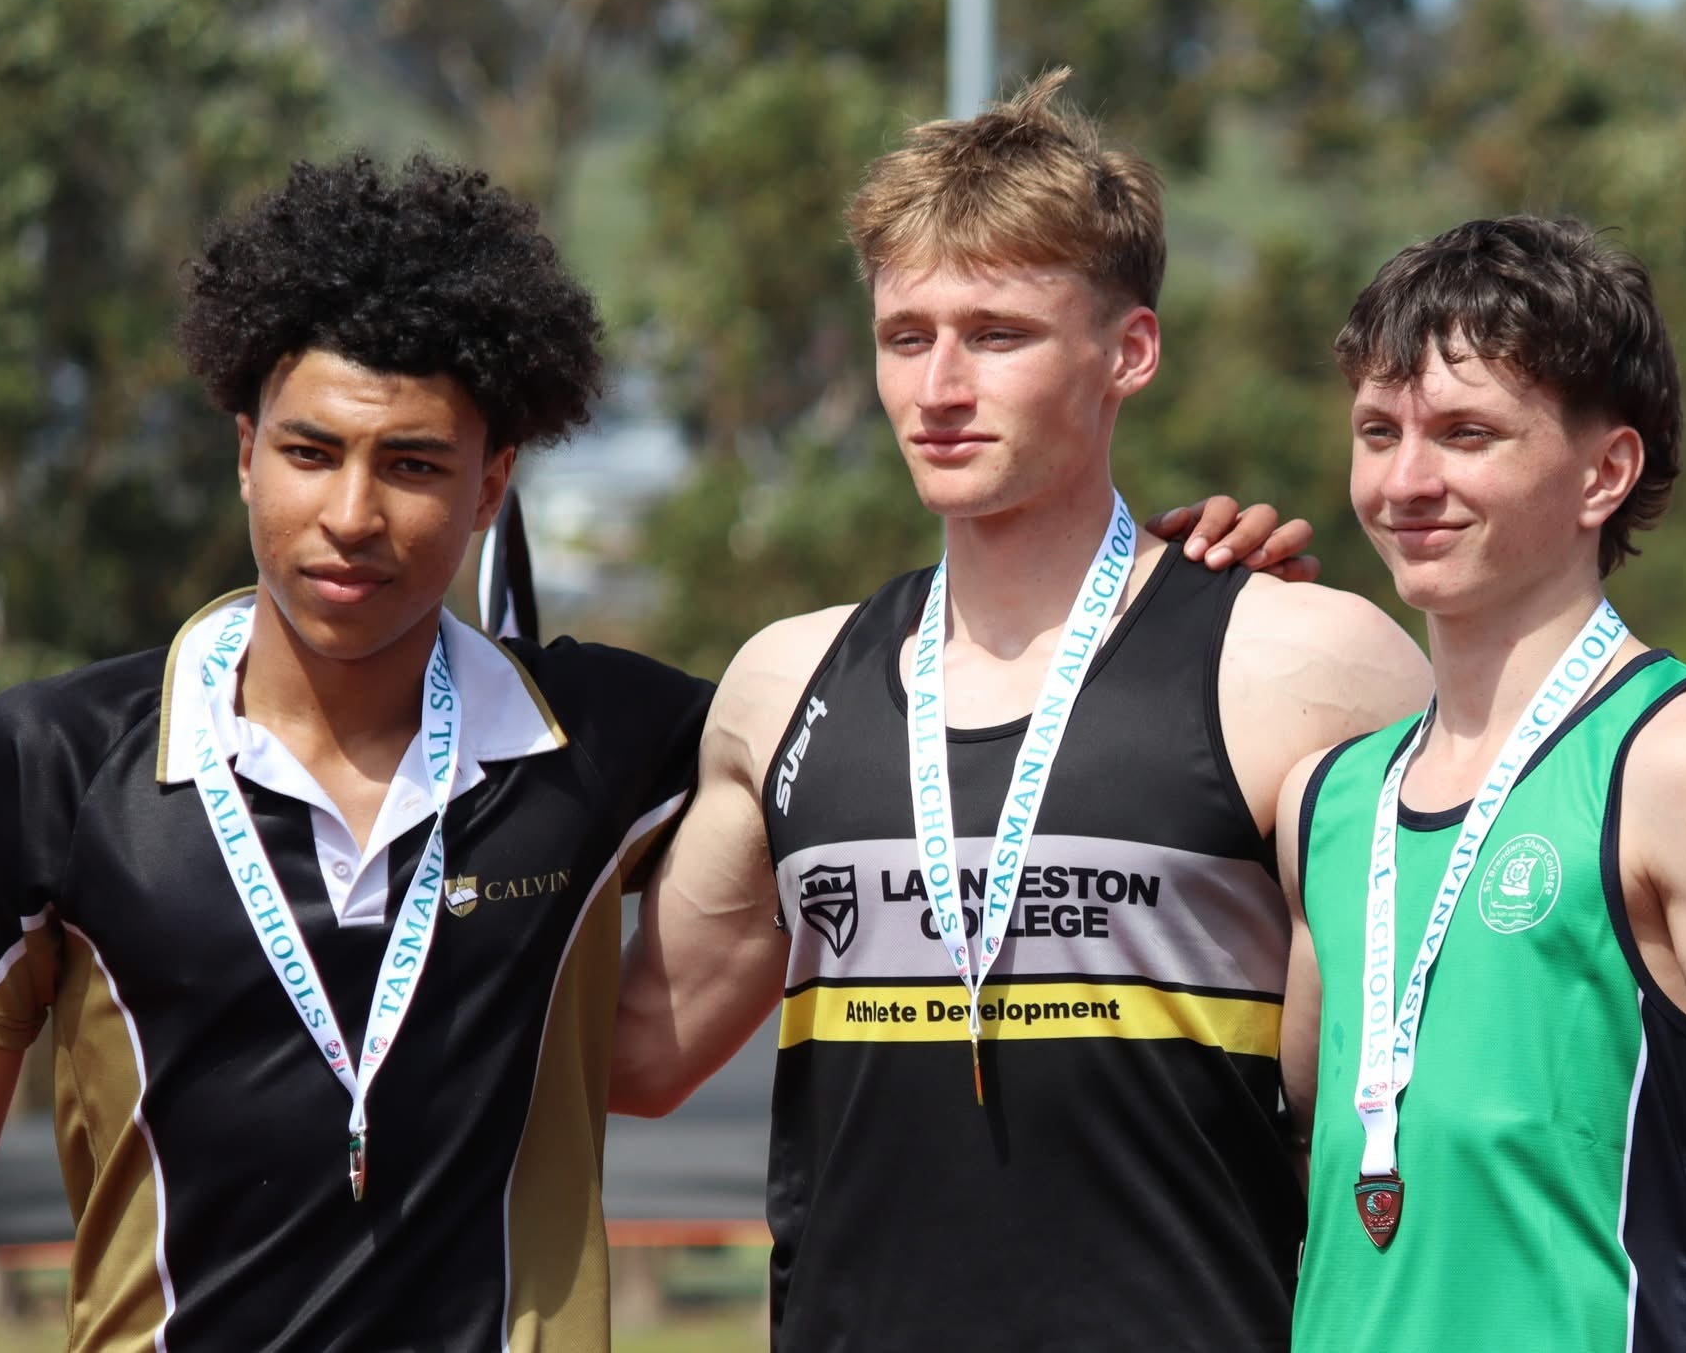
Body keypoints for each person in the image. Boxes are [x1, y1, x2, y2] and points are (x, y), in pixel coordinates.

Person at [0, 149, 1302, 1353]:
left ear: (493, 485)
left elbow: (940, 721)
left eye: (414, 465)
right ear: (244, 454)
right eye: (310, 450)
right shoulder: (49, 759)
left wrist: (1176, 599)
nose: (350, 513)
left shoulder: (611, 734)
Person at [609, 70, 1431, 1351]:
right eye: (904, 335)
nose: (938, 386)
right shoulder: (782, 684)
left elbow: (1469, 1052)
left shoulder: (1301, 662)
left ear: (1129, 351)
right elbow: (631, 1058)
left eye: (996, 334)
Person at [1279, 215, 1686, 1350]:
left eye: (1465, 433)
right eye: (1376, 431)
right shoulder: (1327, 797)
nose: (1406, 479)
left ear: (1603, 471)